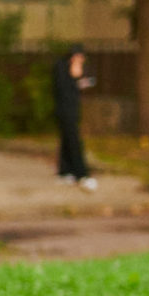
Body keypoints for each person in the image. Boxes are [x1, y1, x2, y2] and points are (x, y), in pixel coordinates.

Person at [53, 46, 98, 190]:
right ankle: (81, 173)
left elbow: (90, 80)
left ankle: (65, 171)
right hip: (65, 111)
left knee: (67, 140)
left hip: (72, 110)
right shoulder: (62, 67)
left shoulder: (76, 68)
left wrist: (79, 80)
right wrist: (74, 77)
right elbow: (63, 88)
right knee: (73, 140)